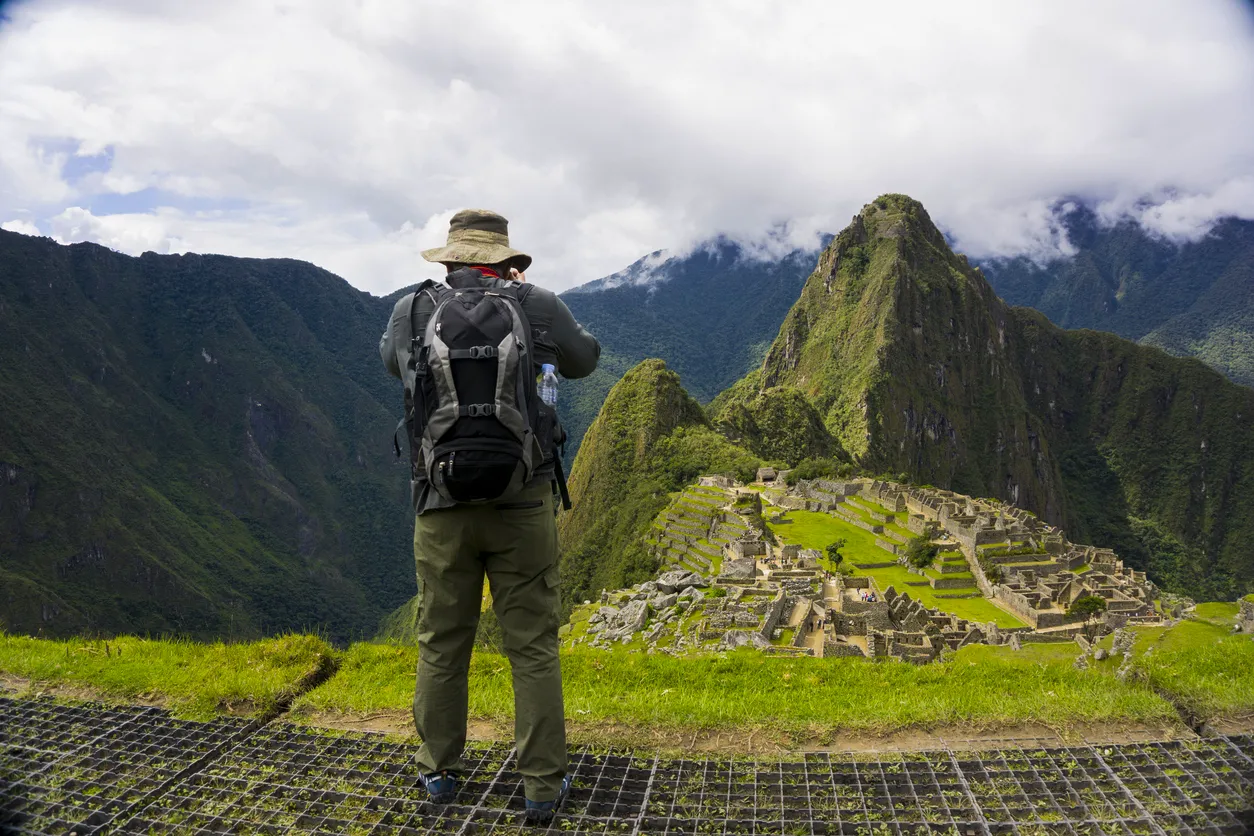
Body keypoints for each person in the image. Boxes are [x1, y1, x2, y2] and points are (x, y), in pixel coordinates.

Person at [380, 209, 600, 825]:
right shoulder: (539, 303)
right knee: (531, 645)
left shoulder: (412, 310)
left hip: (441, 503)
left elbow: (390, 364)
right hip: (523, 500)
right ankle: (540, 786)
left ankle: (438, 774)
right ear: (505, 258)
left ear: (448, 258)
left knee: (441, 639)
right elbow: (584, 360)